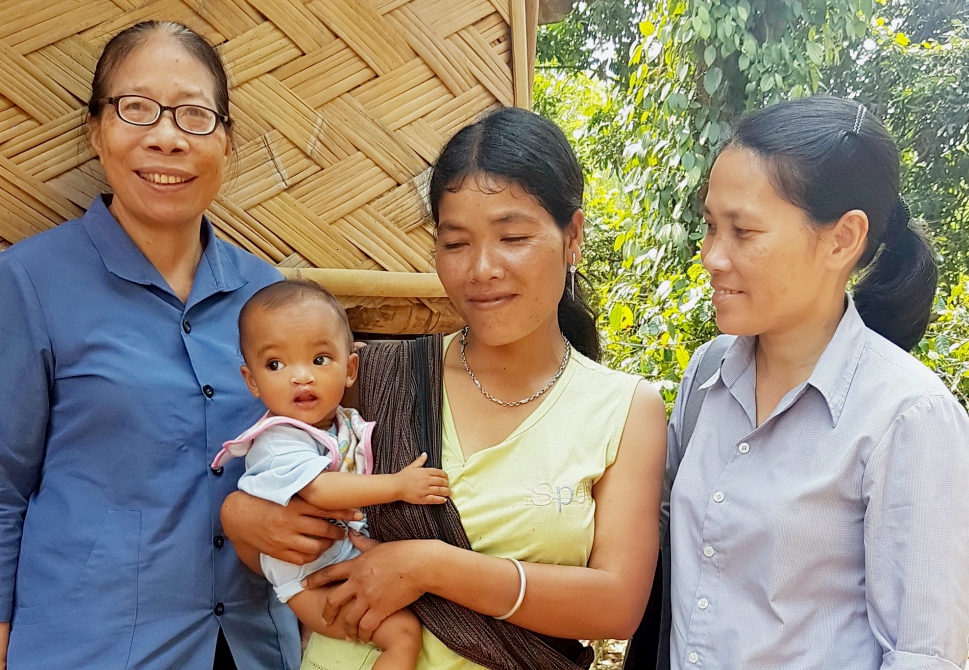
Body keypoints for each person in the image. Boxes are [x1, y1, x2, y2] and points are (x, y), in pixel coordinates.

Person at [220, 107, 669, 669]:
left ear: (572, 236)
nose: (482, 268)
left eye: (513, 237)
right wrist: (239, 515)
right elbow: (277, 532)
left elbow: (616, 605)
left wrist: (428, 566)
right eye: (456, 244)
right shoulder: (376, 378)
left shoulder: (625, 409)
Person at [0, 21, 344, 670]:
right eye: (136, 109)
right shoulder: (28, 283)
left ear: (226, 139)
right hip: (84, 649)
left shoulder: (270, 298)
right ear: (94, 131)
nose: (166, 137)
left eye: (193, 115)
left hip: (250, 647)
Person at [664, 96, 969, 669]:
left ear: (842, 239)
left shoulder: (908, 416)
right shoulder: (708, 374)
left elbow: (921, 655)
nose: (711, 255)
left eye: (744, 231)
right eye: (711, 225)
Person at [215, 280, 452, 670]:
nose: (301, 377)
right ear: (252, 380)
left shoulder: (342, 424)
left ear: (350, 369)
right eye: (276, 364)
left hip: (340, 557)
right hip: (309, 579)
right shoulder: (277, 438)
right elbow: (320, 489)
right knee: (402, 634)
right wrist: (399, 485)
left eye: (320, 359)